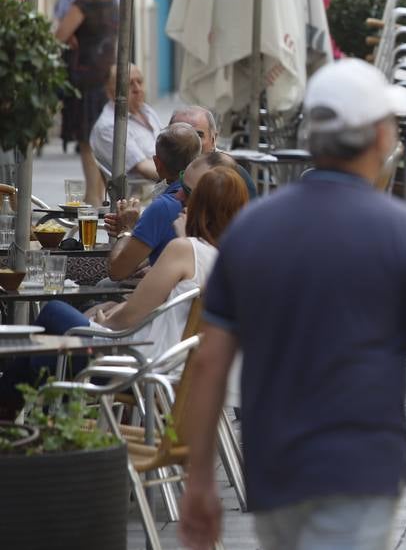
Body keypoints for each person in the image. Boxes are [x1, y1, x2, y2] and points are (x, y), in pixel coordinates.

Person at [178, 59, 406, 550]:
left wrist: (200, 480)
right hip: (361, 464)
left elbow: (209, 362)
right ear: (381, 136)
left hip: (273, 465)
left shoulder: (251, 229)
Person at [35, 166, 248, 358]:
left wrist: (100, 323)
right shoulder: (230, 261)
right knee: (43, 360)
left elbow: (126, 318)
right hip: (168, 368)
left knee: (54, 311)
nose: (179, 198)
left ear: (201, 208)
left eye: (189, 196)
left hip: (133, 361)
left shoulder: (184, 249)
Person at [54, 0, 118, 204]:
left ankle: (92, 206)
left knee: (89, 150)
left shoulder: (83, 3)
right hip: (108, 79)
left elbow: (57, 37)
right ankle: (108, 204)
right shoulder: (113, 0)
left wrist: (68, 36)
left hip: (85, 83)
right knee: (104, 149)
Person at [104, 124, 201, 280]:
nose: (180, 197)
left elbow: (117, 272)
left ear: (157, 163)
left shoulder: (163, 206)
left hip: (166, 299)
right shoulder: (210, 195)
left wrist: (126, 230)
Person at [89, 65, 163, 181]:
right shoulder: (109, 126)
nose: (137, 88)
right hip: (143, 193)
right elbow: (143, 168)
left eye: (140, 82)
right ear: (111, 91)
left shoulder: (146, 110)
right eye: (129, 84)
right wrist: (181, 178)